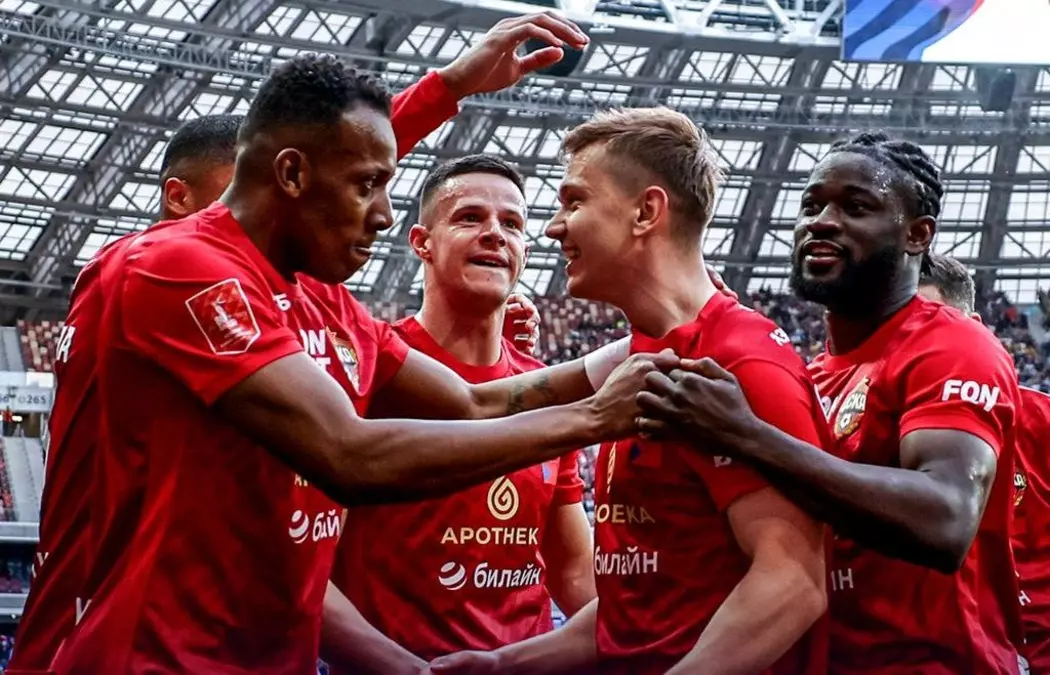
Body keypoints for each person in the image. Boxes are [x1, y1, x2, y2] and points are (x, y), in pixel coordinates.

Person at [49, 47, 669, 675]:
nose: (384, 215)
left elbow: (475, 401)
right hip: (150, 659)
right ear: (292, 176)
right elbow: (347, 455)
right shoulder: (176, 267)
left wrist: (664, 333)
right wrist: (595, 418)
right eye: (369, 187)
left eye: (513, 223)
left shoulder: (327, 304)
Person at [430, 107, 828, 675]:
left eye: (574, 202)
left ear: (646, 212)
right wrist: (501, 664)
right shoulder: (642, 356)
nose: (554, 227)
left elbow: (792, 583)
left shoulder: (741, 360)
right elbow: (634, 609)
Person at [637, 132, 1022, 673]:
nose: (821, 221)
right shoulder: (813, 373)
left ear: (917, 234)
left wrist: (745, 434)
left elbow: (945, 519)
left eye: (855, 207)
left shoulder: (951, 346)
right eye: (812, 205)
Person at [332, 155, 595, 665]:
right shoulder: (368, 372)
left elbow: (573, 571)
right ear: (421, 242)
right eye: (470, 217)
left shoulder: (545, 390)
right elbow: (305, 561)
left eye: (512, 224)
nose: (495, 233)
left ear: (524, 253)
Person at [916, 253, 1047, 675]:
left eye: (931, 325)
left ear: (973, 328)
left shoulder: (1042, 422)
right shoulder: (867, 429)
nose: (914, 346)